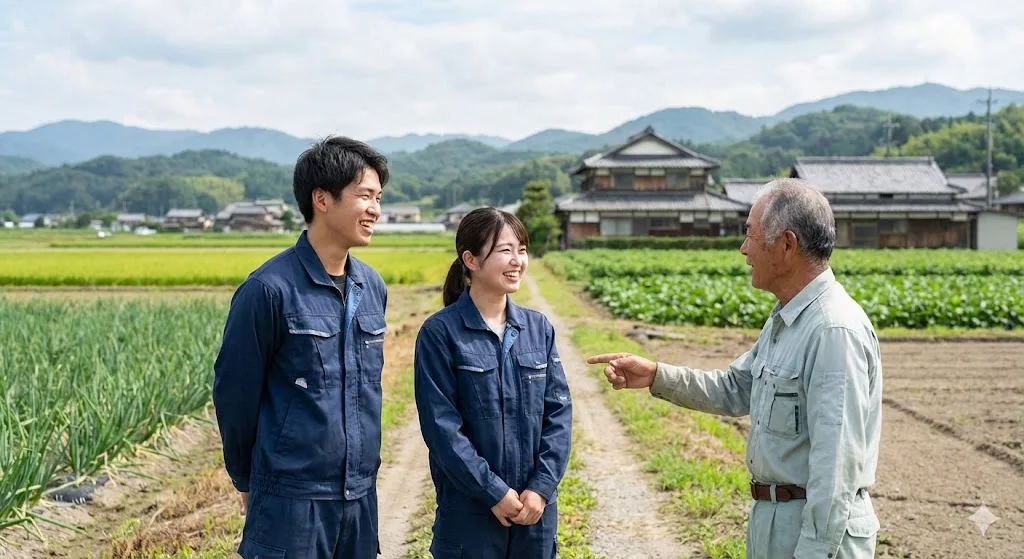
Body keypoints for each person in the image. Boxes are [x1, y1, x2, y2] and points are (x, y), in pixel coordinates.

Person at [588, 179, 883, 559]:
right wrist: (656, 375)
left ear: (787, 244)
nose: (744, 248)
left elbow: (836, 467)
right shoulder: (788, 318)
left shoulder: (832, 331)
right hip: (776, 522)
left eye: (750, 235)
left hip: (815, 534)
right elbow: (736, 388)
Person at [212, 136, 391, 559]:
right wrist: (246, 480)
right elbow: (235, 393)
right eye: (365, 195)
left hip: (359, 496)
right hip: (290, 499)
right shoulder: (268, 289)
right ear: (322, 199)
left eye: (378, 198)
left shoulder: (371, 286)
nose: (375, 209)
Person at [413, 207, 573, 558]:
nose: (517, 261)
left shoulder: (538, 328)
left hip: (534, 514)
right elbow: (442, 429)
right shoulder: (440, 333)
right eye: (505, 250)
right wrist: (493, 492)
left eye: (522, 250)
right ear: (470, 260)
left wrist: (541, 488)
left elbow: (558, 415)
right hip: (470, 513)